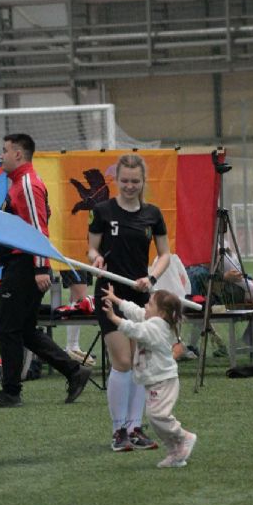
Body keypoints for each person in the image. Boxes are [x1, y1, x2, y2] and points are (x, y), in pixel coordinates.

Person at [0, 133, 91, 408]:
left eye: (5, 150)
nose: (1, 155)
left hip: (25, 268)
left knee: (8, 330)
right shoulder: (20, 183)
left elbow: (39, 228)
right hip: (22, 266)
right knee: (25, 330)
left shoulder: (27, 184)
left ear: (18, 154)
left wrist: (41, 268)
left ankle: (11, 392)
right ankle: (74, 371)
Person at [88, 153, 171, 451]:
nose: (129, 186)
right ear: (117, 179)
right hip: (110, 293)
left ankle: (135, 428)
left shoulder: (153, 214)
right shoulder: (102, 210)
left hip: (139, 295)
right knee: (122, 361)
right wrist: (96, 259)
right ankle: (118, 431)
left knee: (138, 364)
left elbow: (165, 254)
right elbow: (91, 249)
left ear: (143, 180)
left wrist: (152, 278)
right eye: (124, 180)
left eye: (135, 181)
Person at [102, 284, 197, 468]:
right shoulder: (153, 320)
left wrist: (113, 318)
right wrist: (117, 300)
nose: (145, 305)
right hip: (156, 381)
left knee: (157, 415)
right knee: (156, 418)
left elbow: (134, 330)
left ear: (161, 313)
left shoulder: (156, 327)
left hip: (164, 381)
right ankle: (175, 452)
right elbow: (135, 311)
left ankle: (184, 436)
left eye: (150, 304)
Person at [59, 269, 96, 366]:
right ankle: (72, 347)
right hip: (75, 259)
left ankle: (72, 345)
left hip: (83, 259)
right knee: (80, 298)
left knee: (76, 296)